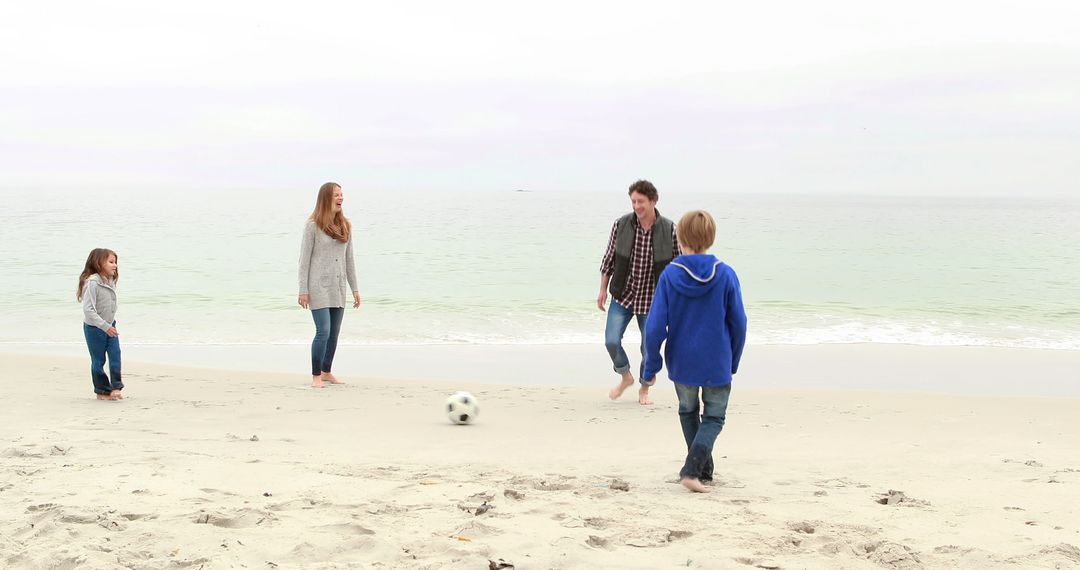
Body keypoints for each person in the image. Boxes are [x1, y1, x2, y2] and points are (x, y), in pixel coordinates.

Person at [642, 210, 747, 493]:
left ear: (680, 238)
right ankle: (693, 470)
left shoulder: (669, 276)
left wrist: (650, 368)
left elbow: (654, 327)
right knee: (714, 417)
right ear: (711, 238)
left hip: (682, 361)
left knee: (688, 412)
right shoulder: (725, 274)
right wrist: (733, 360)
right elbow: (739, 323)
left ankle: (701, 471)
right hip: (716, 361)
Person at [598, 179, 682, 405]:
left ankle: (644, 389)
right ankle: (625, 376)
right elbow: (609, 258)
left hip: (653, 299)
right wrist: (603, 289)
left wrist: (678, 300)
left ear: (653, 201)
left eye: (641, 201)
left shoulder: (669, 228)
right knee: (611, 341)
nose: (636, 206)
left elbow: (679, 265)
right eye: (633, 201)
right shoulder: (621, 224)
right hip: (624, 294)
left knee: (649, 348)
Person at [298, 182, 361, 388]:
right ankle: (316, 375)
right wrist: (303, 290)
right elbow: (304, 261)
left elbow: (349, 260)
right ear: (326, 198)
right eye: (336, 195)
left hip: (338, 287)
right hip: (318, 287)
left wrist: (355, 289)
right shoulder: (312, 227)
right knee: (323, 331)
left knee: (334, 333)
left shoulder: (346, 226)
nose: (340, 198)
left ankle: (326, 371)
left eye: (342, 194)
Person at [77, 248, 124, 401]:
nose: (115, 265)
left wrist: (109, 325)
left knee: (115, 354)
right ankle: (102, 391)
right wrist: (105, 327)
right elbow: (89, 311)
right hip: (94, 328)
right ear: (99, 263)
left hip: (110, 325)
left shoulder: (110, 281)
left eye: (115, 262)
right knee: (98, 361)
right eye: (111, 262)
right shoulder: (92, 283)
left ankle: (116, 387)